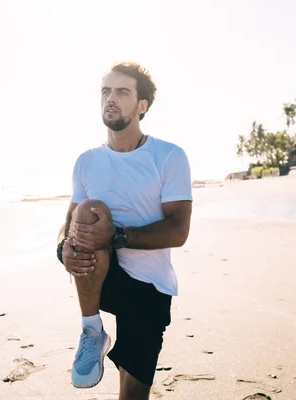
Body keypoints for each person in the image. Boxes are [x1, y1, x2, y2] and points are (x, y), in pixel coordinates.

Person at [56, 61, 193, 400]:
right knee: (89, 211)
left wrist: (117, 236)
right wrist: (63, 249)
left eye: (122, 91)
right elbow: (68, 223)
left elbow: (178, 230)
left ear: (141, 106)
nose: (110, 98)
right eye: (105, 91)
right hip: (100, 277)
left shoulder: (168, 156)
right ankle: (92, 330)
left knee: (132, 395)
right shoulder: (86, 161)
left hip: (149, 287)